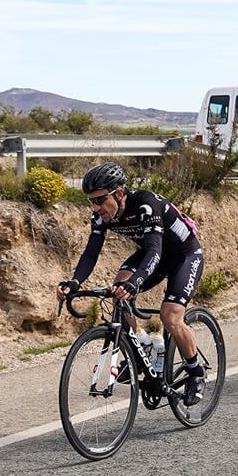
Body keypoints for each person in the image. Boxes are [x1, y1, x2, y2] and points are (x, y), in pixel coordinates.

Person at [55, 163, 207, 403]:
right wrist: (74, 282)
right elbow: (90, 253)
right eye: (91, 202)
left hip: (184, 255)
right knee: (119, 290)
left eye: (100, 200)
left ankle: (196, 371)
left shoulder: (146, 205)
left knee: (170, 317)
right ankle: (143, 345)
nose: (95, 207)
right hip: (151, 254)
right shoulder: (101, 216)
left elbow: (155, 251)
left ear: (118, 194)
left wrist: (135, 283)